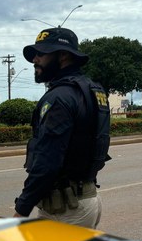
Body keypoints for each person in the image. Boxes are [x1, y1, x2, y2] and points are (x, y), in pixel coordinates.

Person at [13, 27, 111, 229]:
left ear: (64, 55)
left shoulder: (59, 98)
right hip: (85, 199)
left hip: (65, 211)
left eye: (41, 53)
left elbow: (48, 161)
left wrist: (21, 210)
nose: (35, 60)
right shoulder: (92, 90)